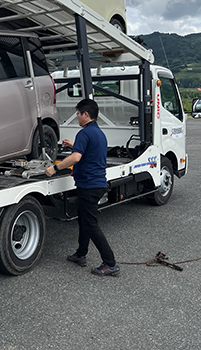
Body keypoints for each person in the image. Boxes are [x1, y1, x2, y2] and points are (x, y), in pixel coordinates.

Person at [45, 98, 119, 276]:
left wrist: (54, 168)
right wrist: (74, 145)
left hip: (90, 186)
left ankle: (110, 263)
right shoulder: (98, 133)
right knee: (84, 221)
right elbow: (88, 152)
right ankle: (80, 254)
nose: (77, 117)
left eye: (78, 113)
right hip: (95, 183)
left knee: (90, 224)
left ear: (86, 114)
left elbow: (76, 158)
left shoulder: (84, 134)